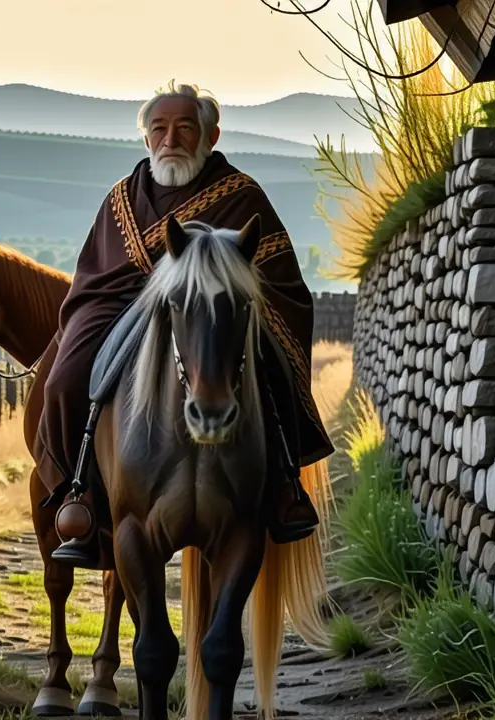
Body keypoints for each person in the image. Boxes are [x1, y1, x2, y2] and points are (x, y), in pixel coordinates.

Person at [34, 80, 334, 568]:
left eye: (184, 128)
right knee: (64, 380)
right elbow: (95, 275)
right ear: (146, 138)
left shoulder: (241, 196)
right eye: (159, 128)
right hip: (119, 306)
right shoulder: (120, 201)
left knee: (272, 368)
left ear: (210, 137)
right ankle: (80, 499)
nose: (170, 138)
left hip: (214, 319)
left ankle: (284, 489)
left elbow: (278, 281)